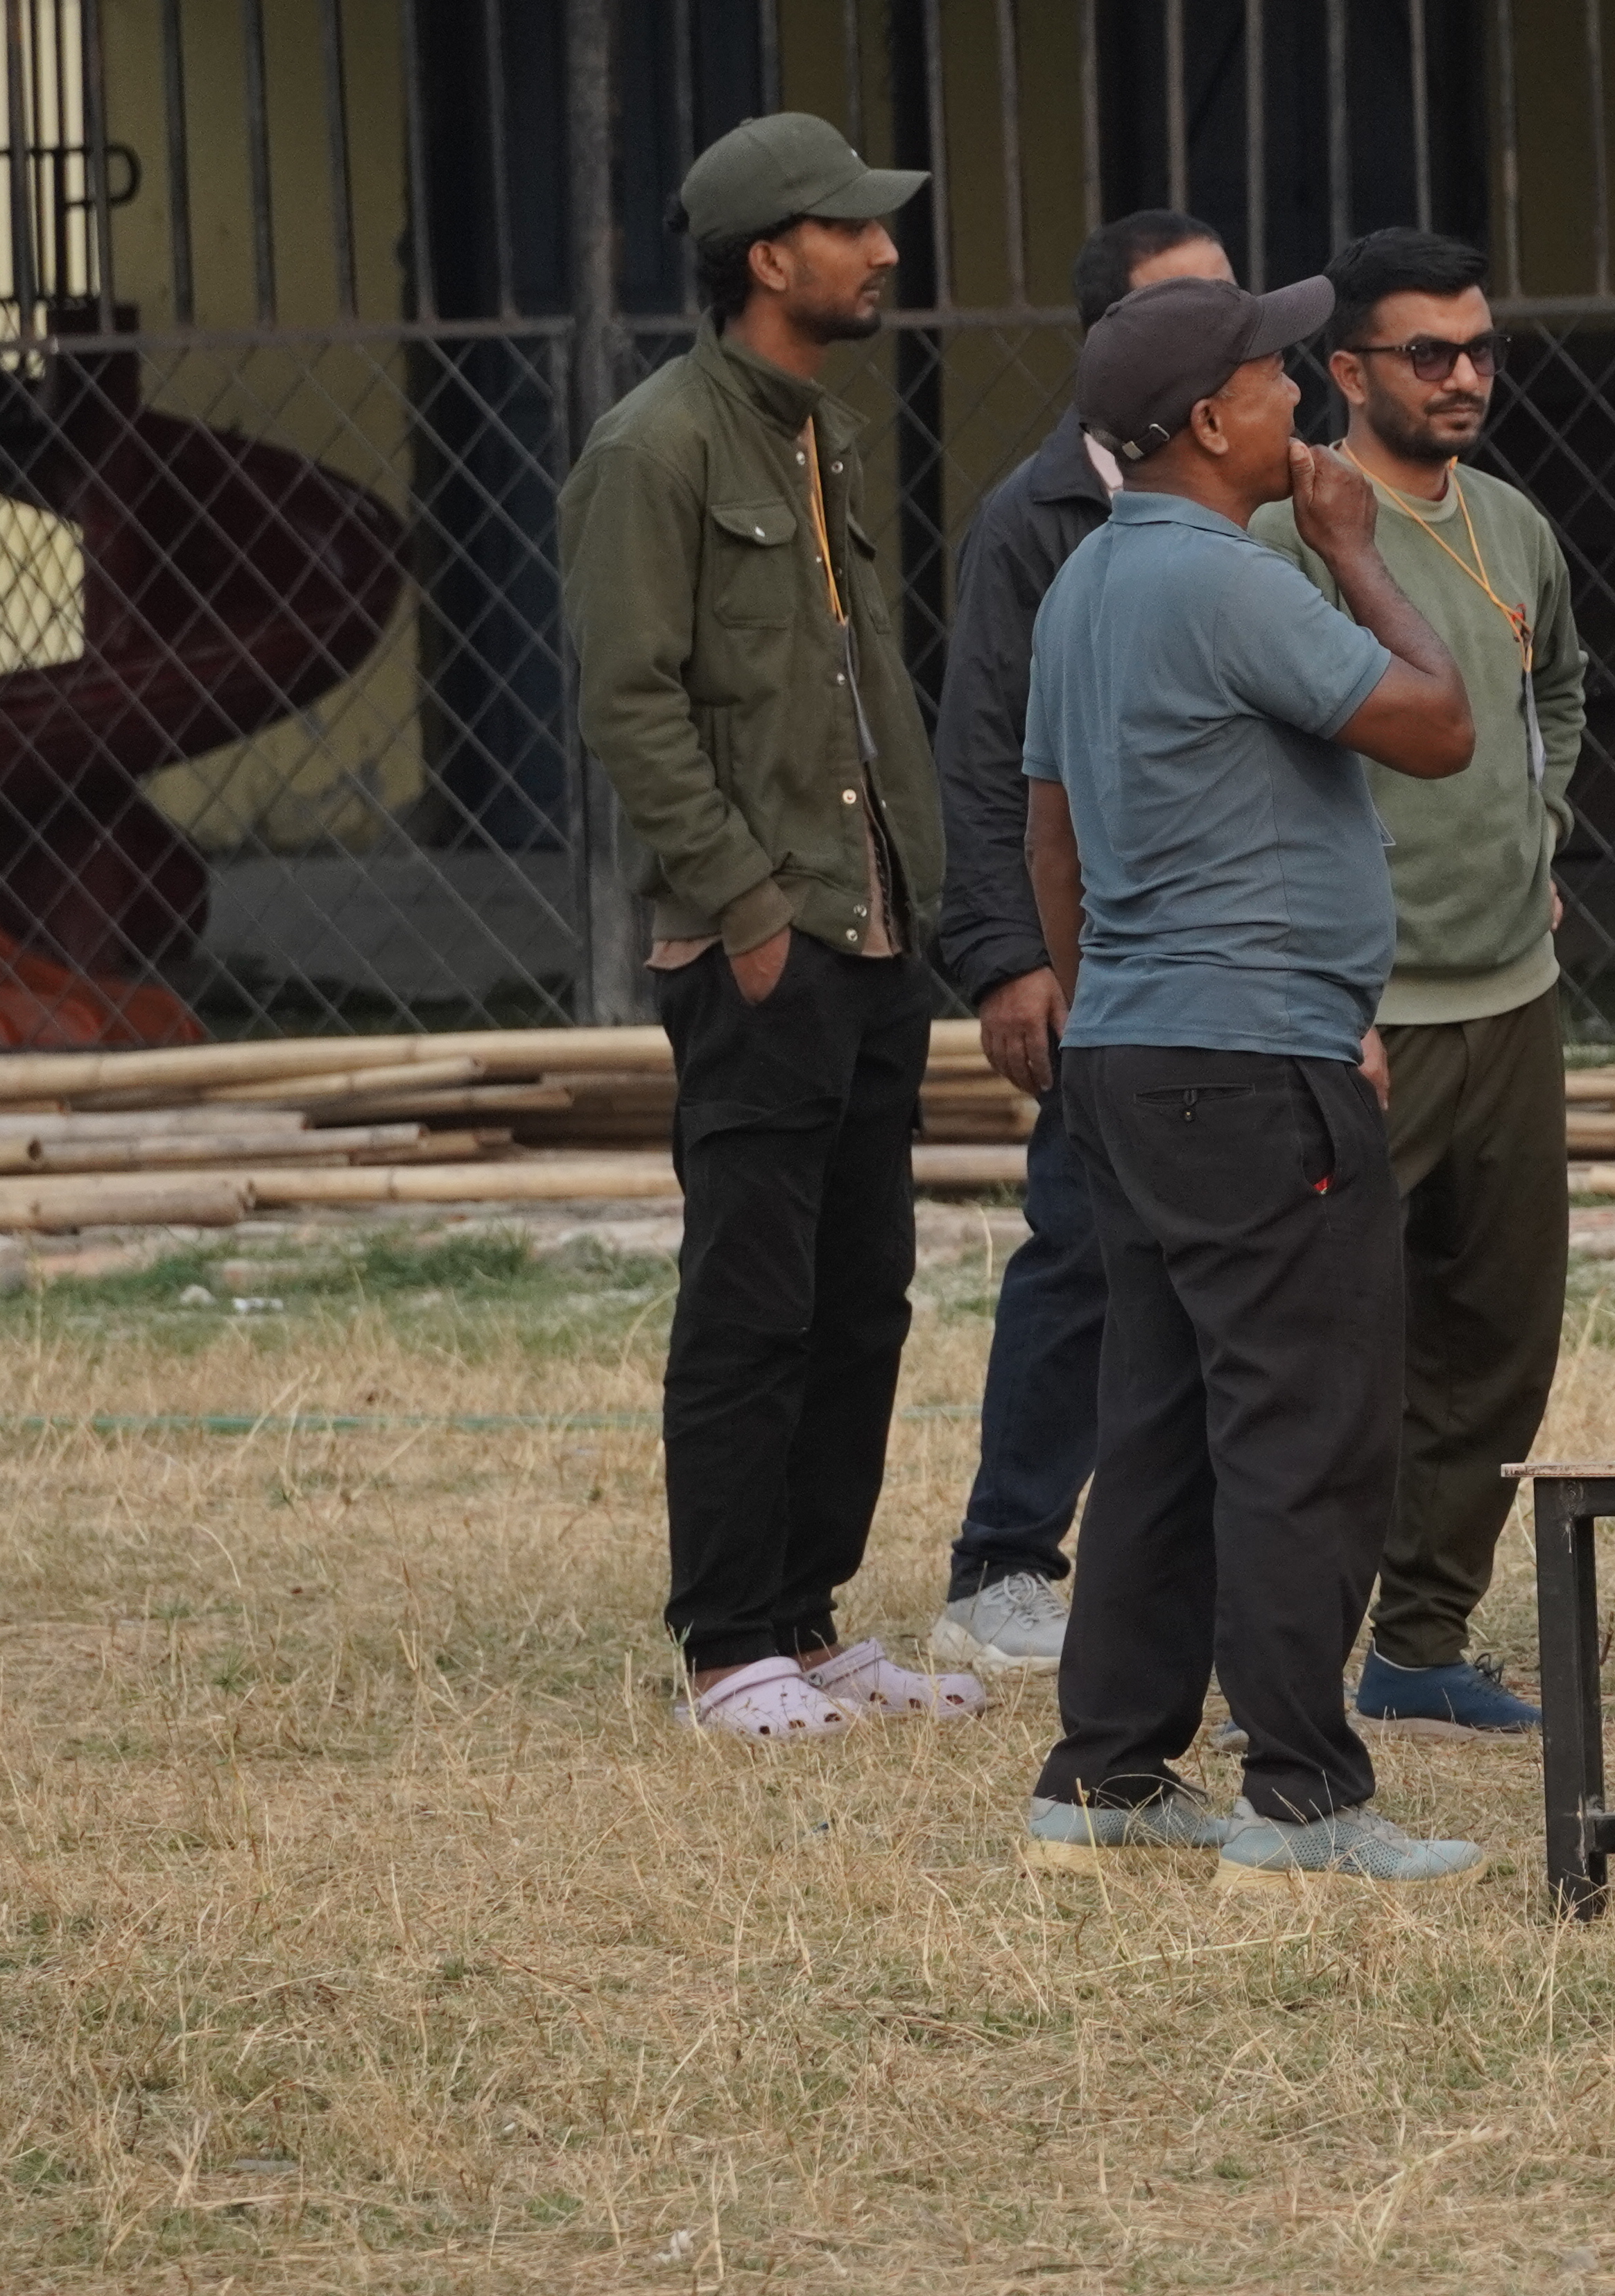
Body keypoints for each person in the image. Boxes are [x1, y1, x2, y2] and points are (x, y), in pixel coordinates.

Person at [1015, 272, 1489, 1885]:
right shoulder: (1234, 580)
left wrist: (1106, 1009)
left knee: (1157, 1418)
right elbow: (1437, 724)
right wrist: (1357, 546)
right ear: (1214, 422)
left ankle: (1109, 1770)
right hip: (1253, 1057)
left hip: (1138, 1051)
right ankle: (1302, 1792)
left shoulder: (1086, 581)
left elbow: (1052, 832)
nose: (1306, 395)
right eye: (1281, 374)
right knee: (1307, 1423)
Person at [564, 112, 976, 1741]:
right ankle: (729, 1637)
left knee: (862, 1284)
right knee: (752, 1292)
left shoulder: (822, 432)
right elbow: (629, 702)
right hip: (767, 937)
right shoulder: (654, 448)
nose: (884, 249)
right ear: (766, 255)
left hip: (872, 929)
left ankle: (807, 1619)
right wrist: (741, 907)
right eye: (849, 227)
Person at [1252, 227, 1590, 1742]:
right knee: (1334, 1345)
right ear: (1346, 374)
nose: (1465, 378)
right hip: (1366, 1008)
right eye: (1428, 355)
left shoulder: (1511, 524)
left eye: (1480, 349)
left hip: (1511, 991)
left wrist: (1545, 819)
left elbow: (1560, 683)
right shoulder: (1289, 533)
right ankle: (1284, 1651)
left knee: (1499, 1337)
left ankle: (1424, 1637)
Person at [924, 209, 1236, 1678]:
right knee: (1081, 1247)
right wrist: (1005, 957)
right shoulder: (1033, 518)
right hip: (1104, 955)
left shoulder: (1275, 493)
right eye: (1195, 308)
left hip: (1241, 945)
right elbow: (986, 757)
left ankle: (1206, 1552)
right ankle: (1004, 1553)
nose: (1235, 329)